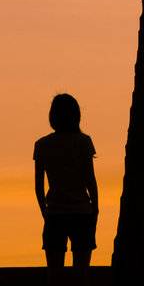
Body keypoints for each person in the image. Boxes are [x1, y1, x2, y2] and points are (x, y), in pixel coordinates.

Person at [34, 93, 99, 269]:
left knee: (55, 275)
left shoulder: (42, 145)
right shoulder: (84, 142)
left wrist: (44, 212)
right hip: (82, 212)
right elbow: (90, 181)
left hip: (55, 212)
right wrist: (95, 209)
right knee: (82, 273)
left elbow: (39, 187)